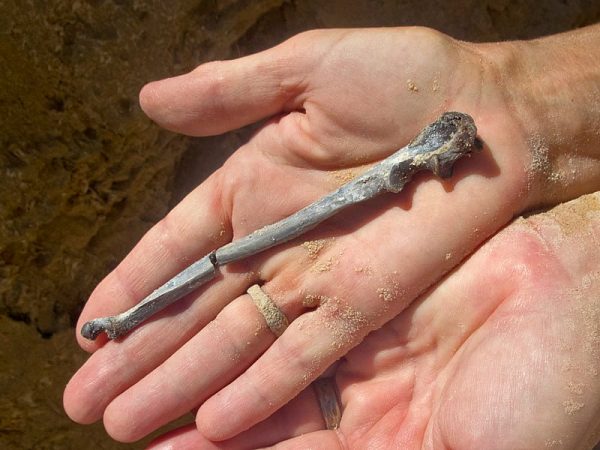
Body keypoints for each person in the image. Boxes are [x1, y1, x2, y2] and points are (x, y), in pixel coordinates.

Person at [64, 24, 600, 448]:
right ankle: (127, 319)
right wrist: (522, 99)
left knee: (235, 257)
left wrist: (522, 105)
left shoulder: (410, 165)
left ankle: (126, 319)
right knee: (228, 258)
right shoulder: (409, 162)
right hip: (395, 168)